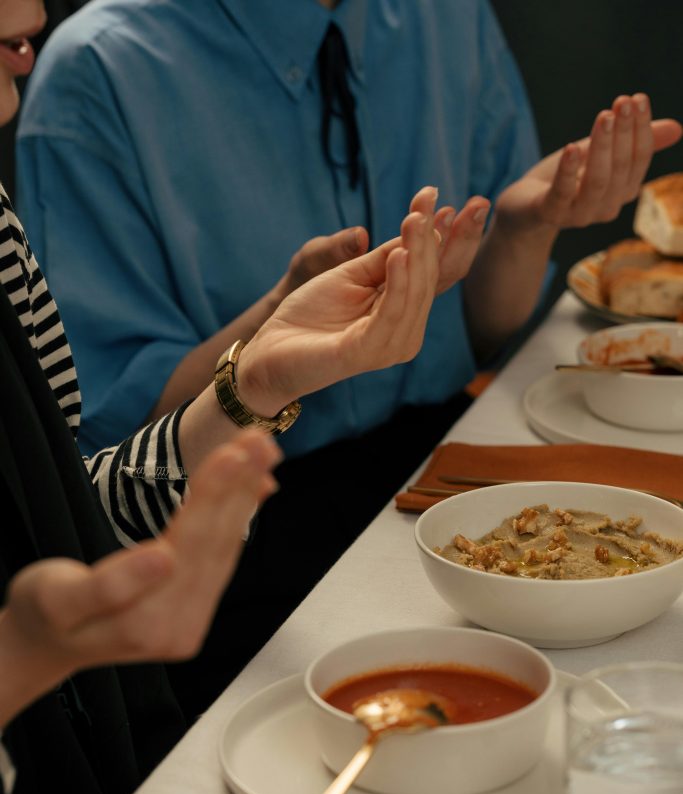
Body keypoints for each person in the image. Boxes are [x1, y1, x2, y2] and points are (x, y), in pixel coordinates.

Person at [14, 0, 682, 707]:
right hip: (239, 526)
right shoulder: (102, 67)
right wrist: (276, 328)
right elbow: (121, 448)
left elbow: (481, 337)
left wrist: (524, 226)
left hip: (441, 462)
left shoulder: (441, 15)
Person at [0, 0, 494, 794]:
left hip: (80, 748)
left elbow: (68, 506)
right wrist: (25, 653)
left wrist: (250, 384)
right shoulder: (102, 66)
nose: (33, 10)